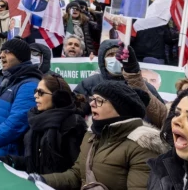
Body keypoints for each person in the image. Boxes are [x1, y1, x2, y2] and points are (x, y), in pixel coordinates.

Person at [36, 81, 168, 190]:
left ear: (119, 109)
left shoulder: (143, 145)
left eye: (99, 100)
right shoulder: (92, 135)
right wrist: (41, 180)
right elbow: (77, 175)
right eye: (92, 99)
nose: (92, 104)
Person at [5, 74, 86, 175]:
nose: (35, 95)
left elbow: (76, 172)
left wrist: (46, 181)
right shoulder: (37, 120)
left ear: (58, 97)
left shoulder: (73, 125)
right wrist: (11, 161)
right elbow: (36, 163)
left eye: (41, 92)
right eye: (36, 91)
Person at [74, 39, 167, 126]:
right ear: (102, 59)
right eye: (110, 55)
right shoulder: (90, 83)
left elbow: (161, 117)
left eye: (118, 55)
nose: (115, 59)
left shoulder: (144, 87)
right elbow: (76, 111)